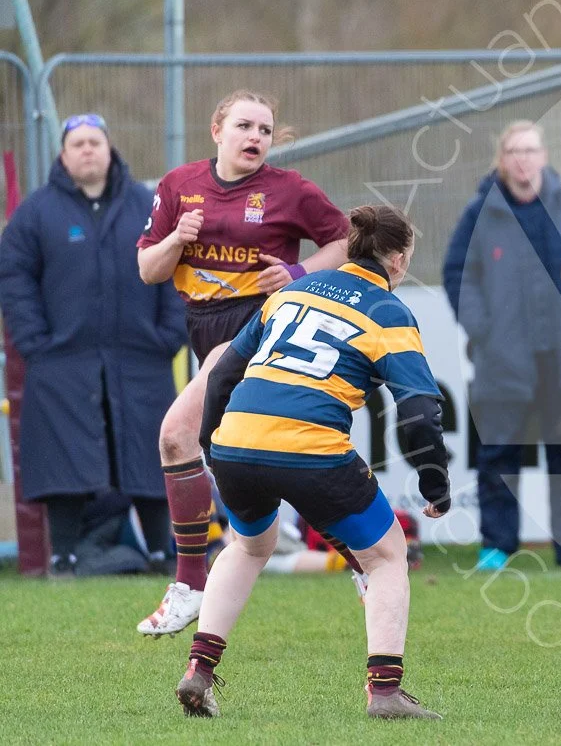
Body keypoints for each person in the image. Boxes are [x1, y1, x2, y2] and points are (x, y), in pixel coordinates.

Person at [176, 205, 449, 720]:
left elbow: (221, 375)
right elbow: (418, 408)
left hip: (237, 440)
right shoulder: (388, 310)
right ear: (399, 261)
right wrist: (435, 484)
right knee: (387, 555)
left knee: (249, 546)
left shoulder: (290, 293)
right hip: (311, 448)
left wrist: (215, 447)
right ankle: (386, 692)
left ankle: (200, 669)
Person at [135, 90, 352, 635]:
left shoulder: (289, 190)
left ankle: (190, 584)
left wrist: (301, 276)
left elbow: (345, 241)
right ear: (217, 129)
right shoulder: (179, 187)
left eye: (265, 130)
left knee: (175, 436)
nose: (256, 137)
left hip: (260, 326)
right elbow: (147, 269)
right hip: (203, 326)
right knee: (262, 450)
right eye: (245, 126)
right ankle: (364, 556)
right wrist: (177, 242)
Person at [0, 113, 186, 576]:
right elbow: (14, 276)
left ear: (109, 149)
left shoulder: (149, 204)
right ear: (63, 154)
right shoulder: (37, 213)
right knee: (64, 456)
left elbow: (178, 268)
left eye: (95, 142)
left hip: (141, 356)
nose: (87, 150)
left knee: (151, 450)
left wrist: (169, 335)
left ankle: (164, 554)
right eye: (77, 143)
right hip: (62, 359)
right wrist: (34, 341)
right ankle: (63, 557)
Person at [444, 121, 561, 571]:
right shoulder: (479, 213)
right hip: (502, 357)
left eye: (530, 150)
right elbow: (458, 274)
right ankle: (497, 545)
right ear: (502, 159)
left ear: (544, 156)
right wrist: (481, 327)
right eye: (513, 151)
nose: (523, 159)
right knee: (498, 451)